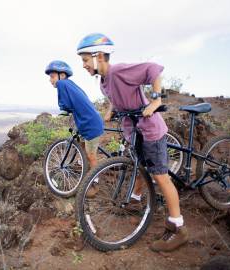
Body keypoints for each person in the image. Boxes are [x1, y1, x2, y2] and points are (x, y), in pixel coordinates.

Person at [76, 33, 188, 252]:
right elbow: (116, 98)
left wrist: (156, 99)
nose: (83, 65)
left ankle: (178, 227)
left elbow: (154, 69)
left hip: (149, 129)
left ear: (99, 56)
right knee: (140, 166)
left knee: (161, 177)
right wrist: (110, 111)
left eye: (85, 60)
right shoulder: (103, 81)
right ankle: (136, 198)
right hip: (134, 130)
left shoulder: (118, 71)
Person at [45, 60, 104, 193]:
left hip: (90, 125)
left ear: (62, 75)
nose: (51, 80)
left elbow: (65, 106)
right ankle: (82, 167)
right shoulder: (71, 84)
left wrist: (64, 112)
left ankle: (95, 183)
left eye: (52, 76)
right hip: (89, 122)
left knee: (91, 155)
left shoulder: (62, 84)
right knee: (82, 148)